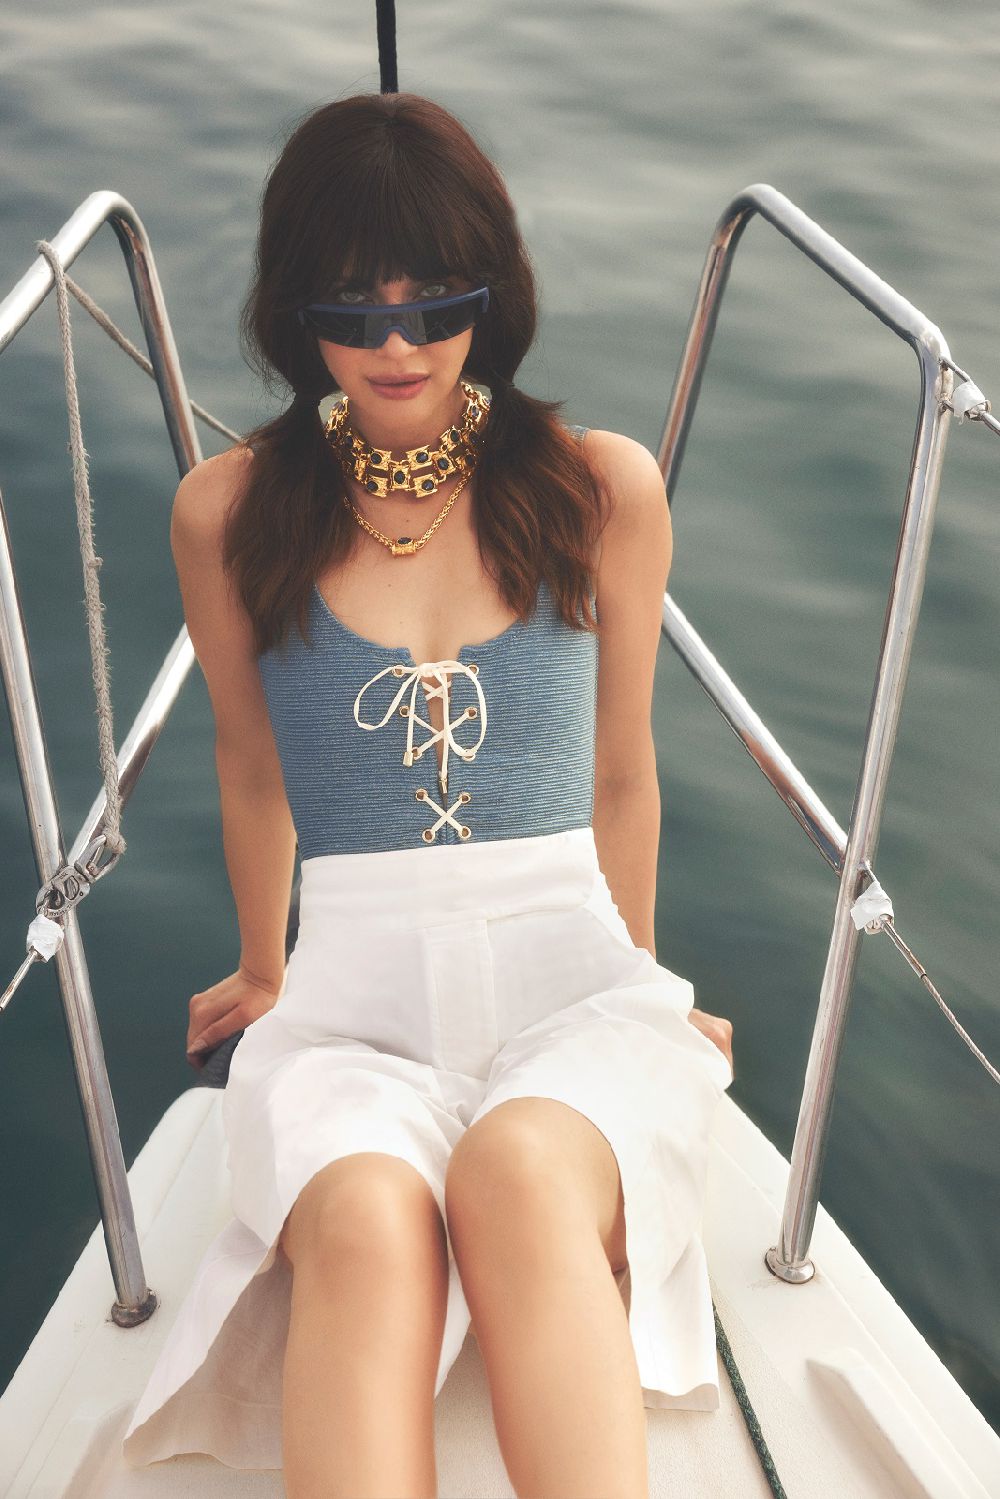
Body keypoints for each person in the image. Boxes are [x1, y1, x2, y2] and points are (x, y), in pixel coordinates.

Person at [120, 90, 735, 1498]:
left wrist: (641, 981)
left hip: (573, 980)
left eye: (434, 305)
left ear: (492, 296)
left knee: (516, 1182)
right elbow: (250, 760)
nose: (395, 347)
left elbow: (623, 770)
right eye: (353, 309)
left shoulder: (601, 488)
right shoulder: (230, 511)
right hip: (352, 1006)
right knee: (370, 1228)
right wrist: (265, 966)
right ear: (295, 312)